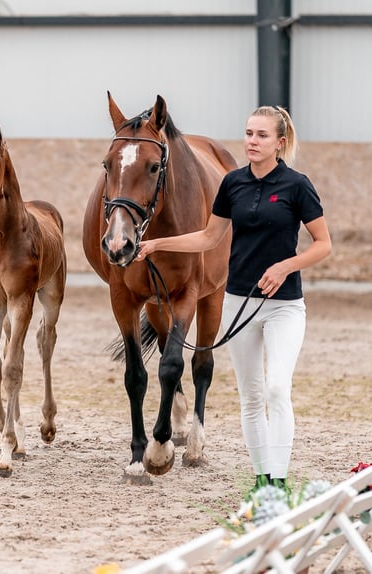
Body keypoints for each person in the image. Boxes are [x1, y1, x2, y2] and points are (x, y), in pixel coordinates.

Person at [135, 106, 332, 486]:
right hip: (238, 302)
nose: (252, 142)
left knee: (277, 389)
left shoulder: (297, 185)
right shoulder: (232, 184)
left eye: (261, 135)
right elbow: (209, 237)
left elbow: (323, 245)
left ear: (280, 142)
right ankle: (263, 479)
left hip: (284, 307)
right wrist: (157, 242)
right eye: (248, 133)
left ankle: (279, 480)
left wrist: (285, 266)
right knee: (251, 397)